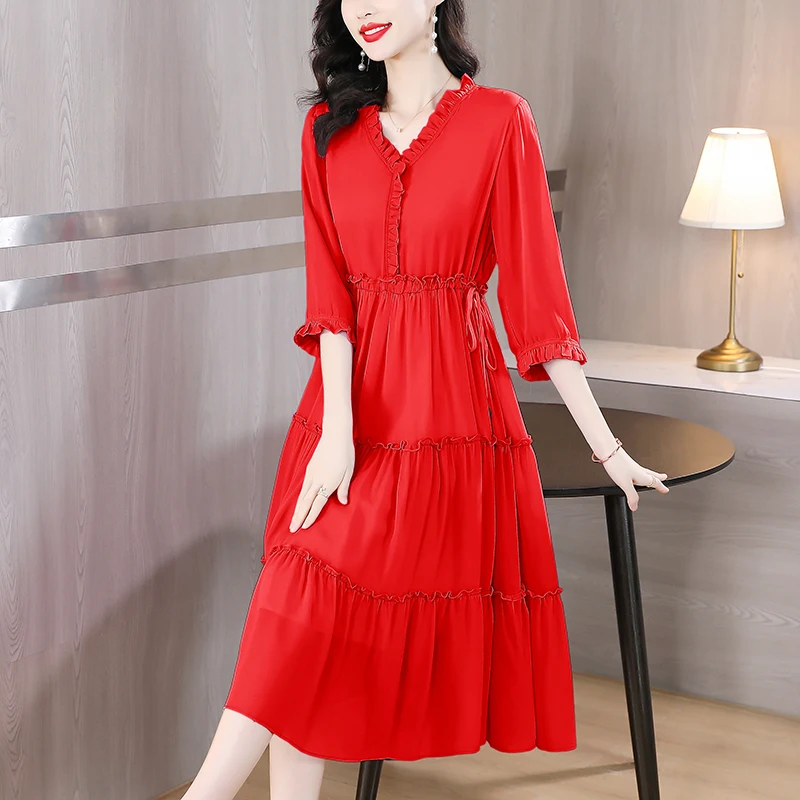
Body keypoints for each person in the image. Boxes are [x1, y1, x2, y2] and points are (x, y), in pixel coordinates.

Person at [182, 1, 669, 798]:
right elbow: (328, 301)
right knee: (297, 622)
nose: (366, 7)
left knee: (305, 639)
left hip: (446, 420)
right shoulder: (328, 131)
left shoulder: (501, 122)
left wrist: (607, 448)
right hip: (342, 419)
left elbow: (538, 307)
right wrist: (338, 430)